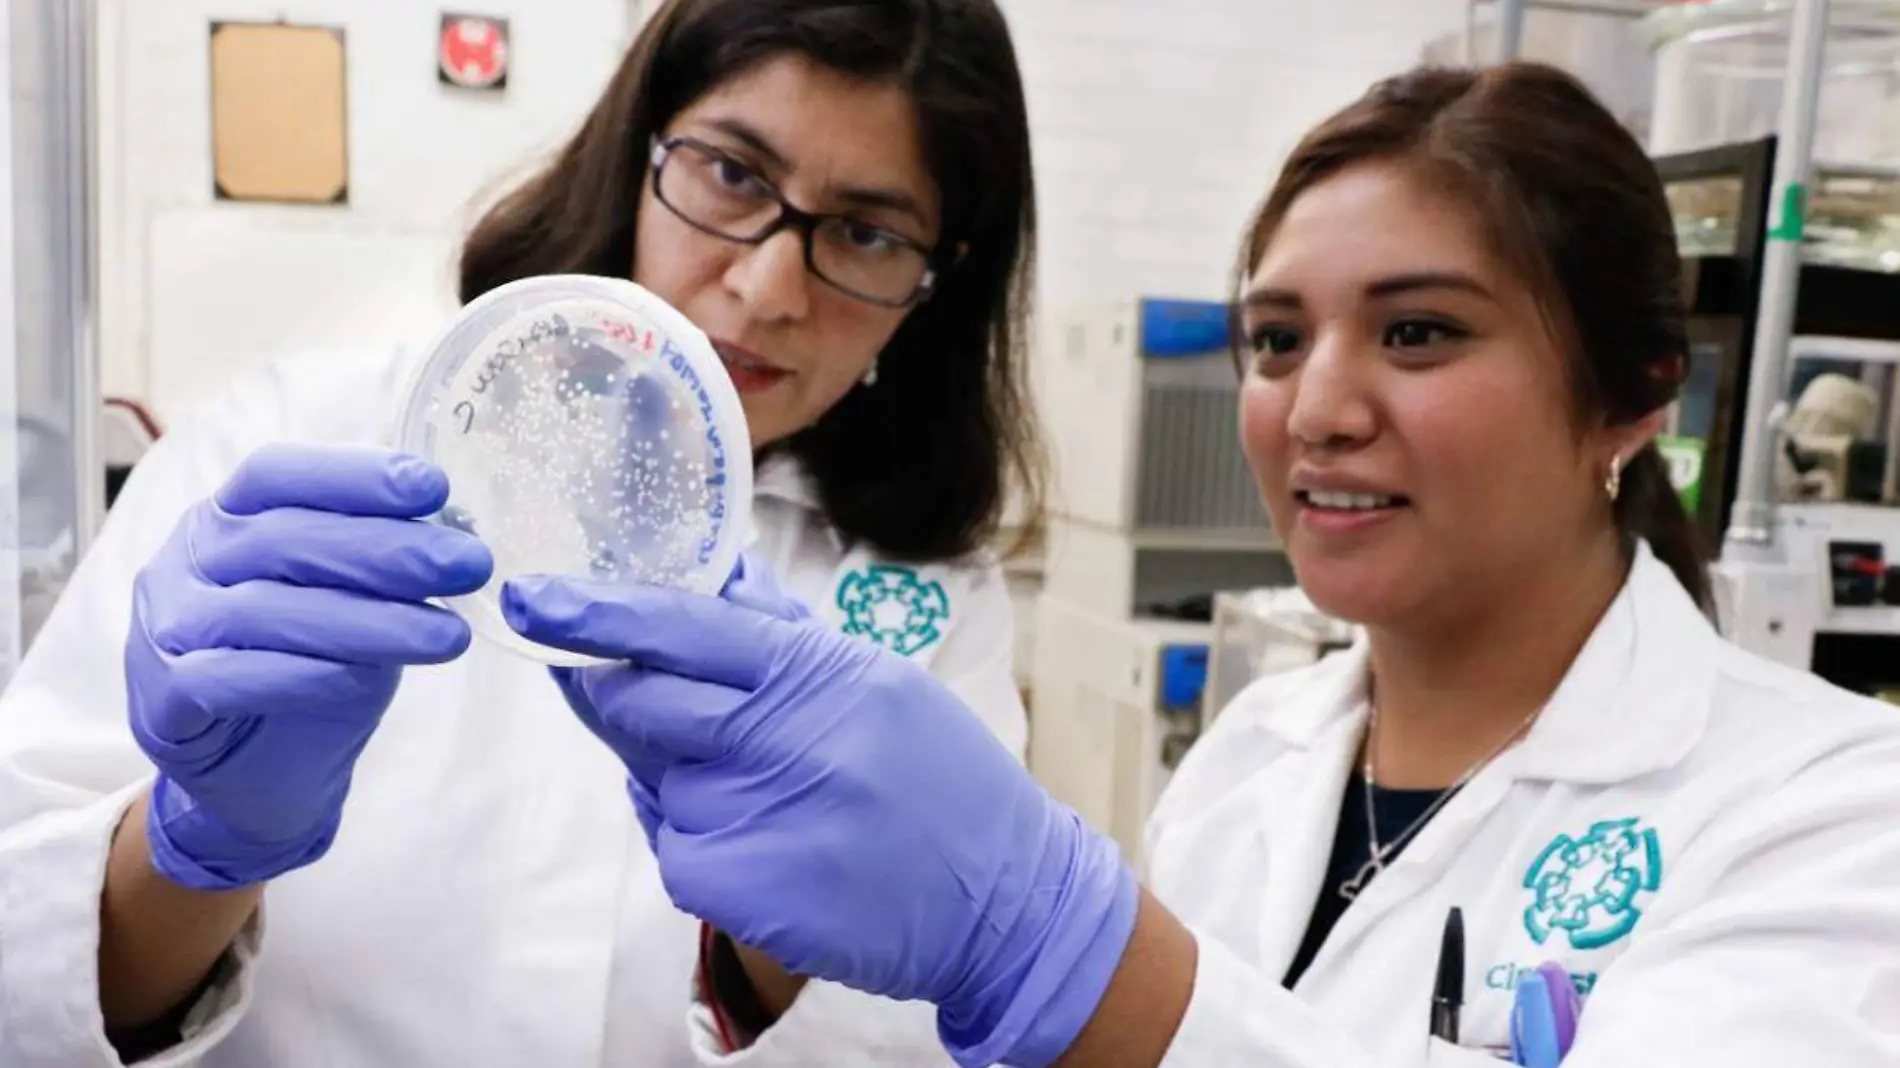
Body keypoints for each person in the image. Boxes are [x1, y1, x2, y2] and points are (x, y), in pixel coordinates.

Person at [499, 62, 1900, 1067]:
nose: (1317, 405)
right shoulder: (1254, 759)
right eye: (1278, 340)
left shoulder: (1834, 819)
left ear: (1636, 396)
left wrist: (1074, 955)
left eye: (1417, 333)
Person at [0, 1, 1041, 1065]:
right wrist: (201, 846)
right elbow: (20, 976)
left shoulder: (930, 598)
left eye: (866, 233)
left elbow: (952, 1031)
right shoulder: (293, 442)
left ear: (935, 281)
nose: (768, 288)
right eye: (731, 172)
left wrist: (782, 940)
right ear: (637, 155)